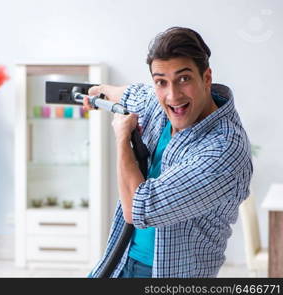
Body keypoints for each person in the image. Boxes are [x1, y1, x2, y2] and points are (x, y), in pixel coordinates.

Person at [86, 27, 252, 277]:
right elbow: (131, 94)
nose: (173, 95)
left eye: (184, 79)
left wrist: (122, 139)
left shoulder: (223, 151)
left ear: (206, 77)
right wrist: (98, 92)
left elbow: (137, 208)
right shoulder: (160, 104)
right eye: (161, 81)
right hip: (120, 258)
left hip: (166, 273)